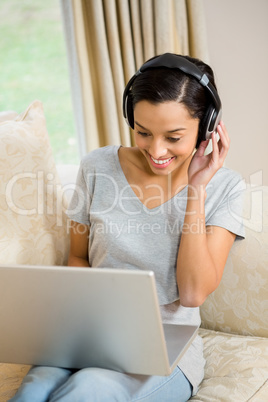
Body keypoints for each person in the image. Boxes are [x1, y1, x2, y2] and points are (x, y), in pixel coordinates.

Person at [11, 53, 244, 402]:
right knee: (32, 391)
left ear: (206, 127)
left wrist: (197, 188)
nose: (157, 150)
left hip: (166, 349)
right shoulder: (97, 166)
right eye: (143, 132)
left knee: (87, 391)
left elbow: (194, 293)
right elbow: (78, 257)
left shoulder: (225, 187)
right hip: (90, 331)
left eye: (174, 137)